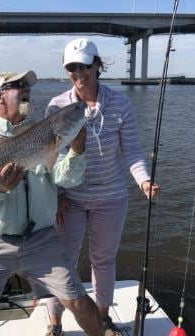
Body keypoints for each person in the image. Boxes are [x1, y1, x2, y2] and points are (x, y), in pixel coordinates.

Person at [0, 70, 104, 336]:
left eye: (28, 86)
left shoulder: (43, 132)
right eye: (18, 85)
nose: (27, 88)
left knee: (78, 302)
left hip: (42, 239)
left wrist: (77, 151)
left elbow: (64, 178)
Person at [45, 38, 159, 336]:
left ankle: (103, 318)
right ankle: (54, 322)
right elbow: (49, 158)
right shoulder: (57, 106)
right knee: (62, 263)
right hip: (70, 198)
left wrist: (143, 181)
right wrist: (56, 195)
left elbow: (132, 151)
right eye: (72, 67)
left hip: (111, 198)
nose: (78, 72)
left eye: (84, 65)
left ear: (97, 64)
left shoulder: (120, 103)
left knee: (104, 261)